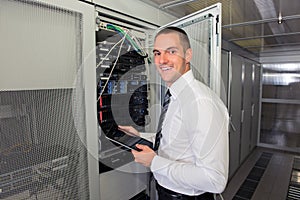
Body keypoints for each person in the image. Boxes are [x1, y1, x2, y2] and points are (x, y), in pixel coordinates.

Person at [119, 27, 229, 200]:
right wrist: (140, 135)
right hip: (166, 192)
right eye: (157, 53)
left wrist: (154, 162)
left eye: (171, 51)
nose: (162, 60)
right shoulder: (175, 94)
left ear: (188, 55)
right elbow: (175, 141)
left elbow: (214, 180)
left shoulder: (200, 103)